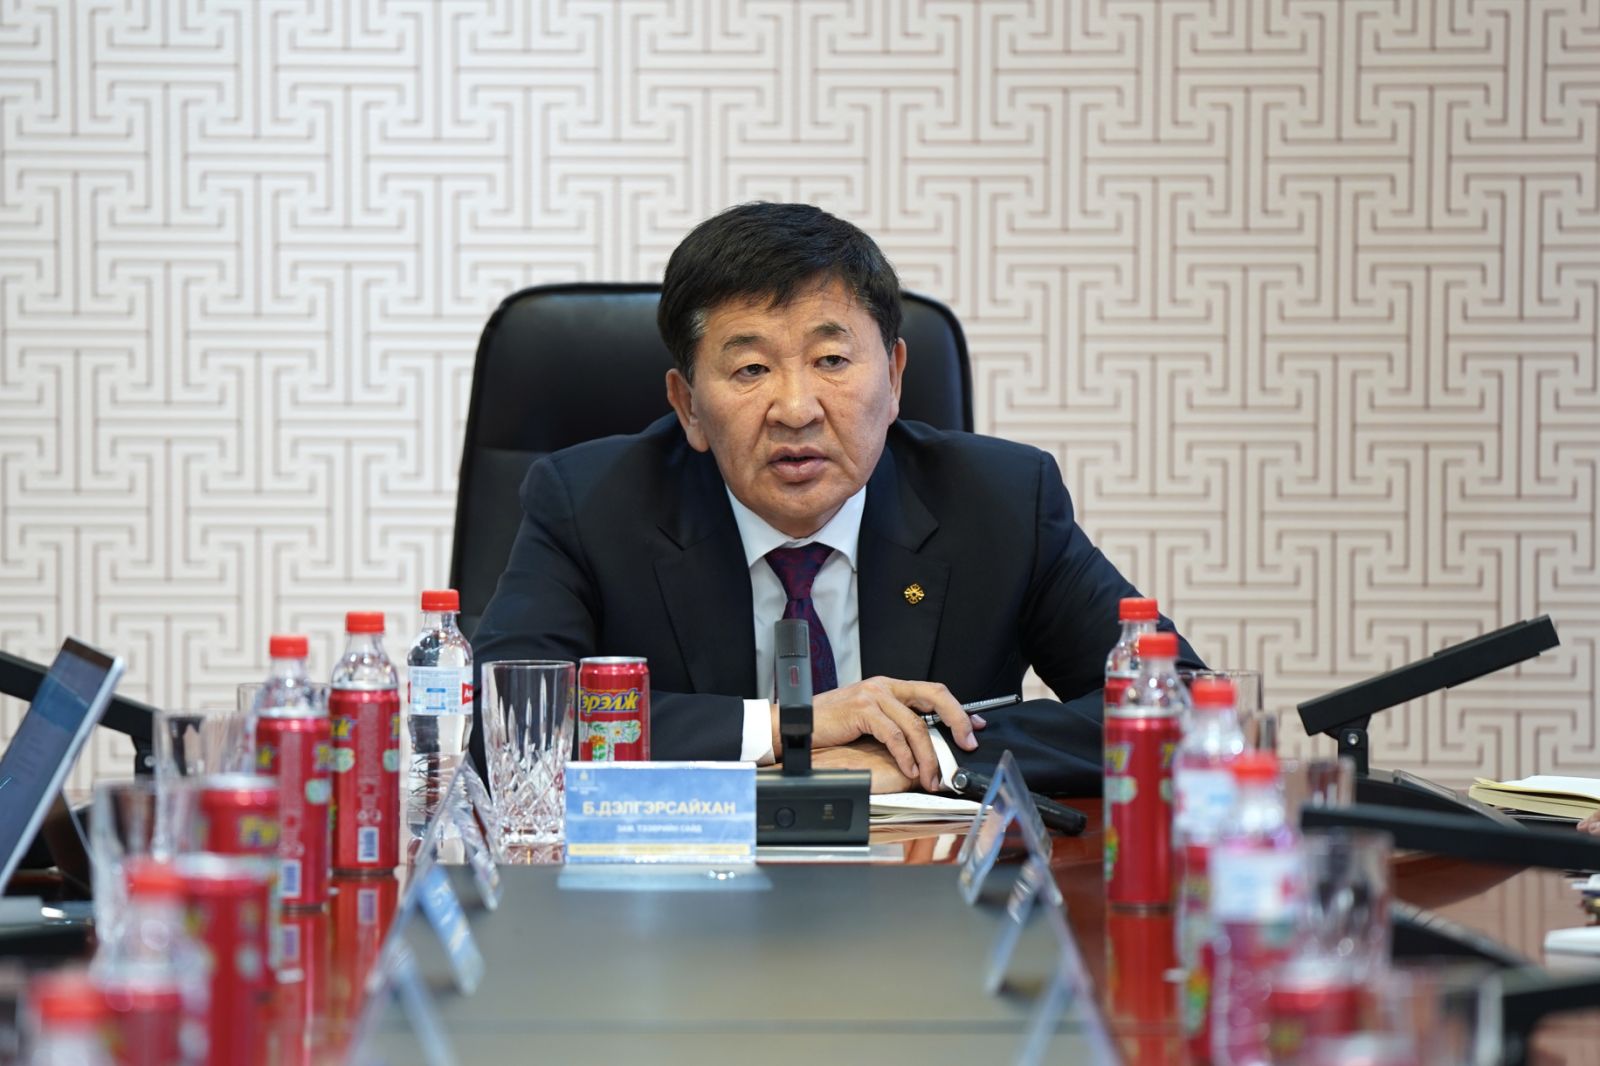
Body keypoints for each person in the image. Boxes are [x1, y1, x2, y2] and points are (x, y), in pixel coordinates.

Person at [472, 202, 1199, 794]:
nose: (796, 409)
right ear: (688, 405)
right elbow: (508, 725)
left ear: (895, 377)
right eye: (751, 369)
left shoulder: (1002, 503)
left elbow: (1181, 706)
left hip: (923, 904)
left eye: (831, 360)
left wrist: (925, 752)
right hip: (679, 902)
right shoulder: (590, 505)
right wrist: (790, 728)